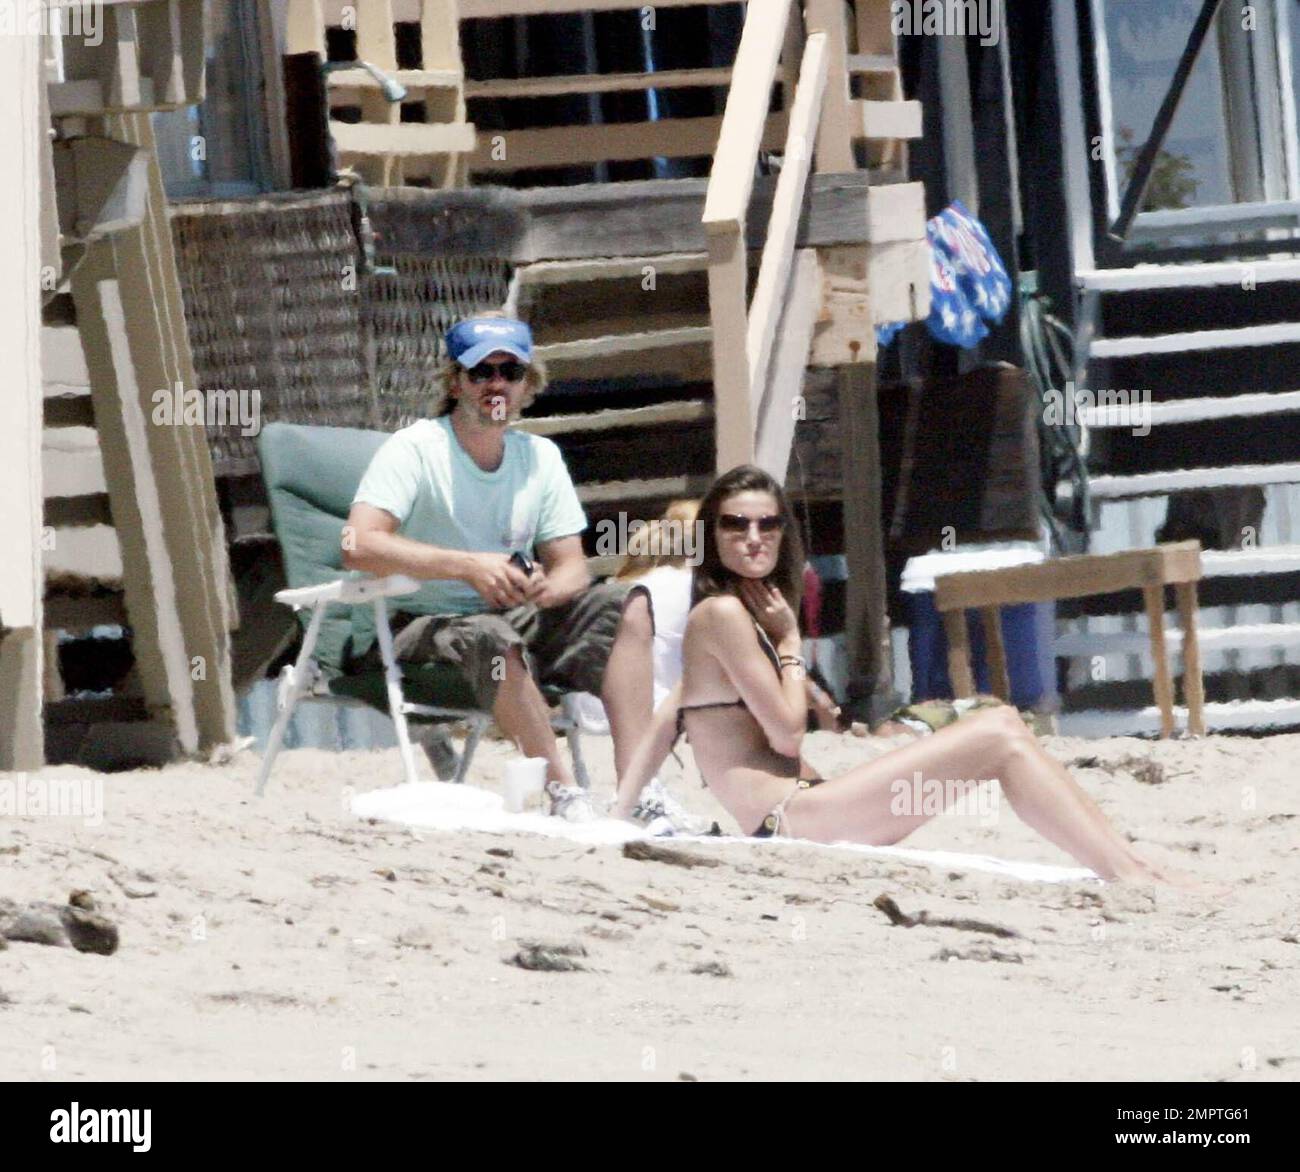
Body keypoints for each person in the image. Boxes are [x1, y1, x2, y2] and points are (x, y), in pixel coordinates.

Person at [612, 464, 1186, 882]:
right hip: (794, 821)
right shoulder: (721, 614)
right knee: (999, 733)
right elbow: (786, 733)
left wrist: (618, 814)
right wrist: (789, 644)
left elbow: (669, 717)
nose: (754, 538)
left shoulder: (729, 615)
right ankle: (1128, 873)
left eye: (768, 524)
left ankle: (1130, 865)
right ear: (713, 535)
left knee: (1001, 724)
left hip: (809, 810)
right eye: (736, 525)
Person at [341, 313, 653, 821]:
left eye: (511, 371)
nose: (496, 383)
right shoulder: (415, 449)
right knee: (490, 635)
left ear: (530, 384)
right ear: (455, 382)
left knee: (627, 604)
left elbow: (571, 565)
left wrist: (545, 589)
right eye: (481, 371)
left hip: (516, 617)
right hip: (418, 624)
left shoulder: (540, 457)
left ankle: (640, 790)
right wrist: (466, 567)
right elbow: (356, 544)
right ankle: (564, 795)